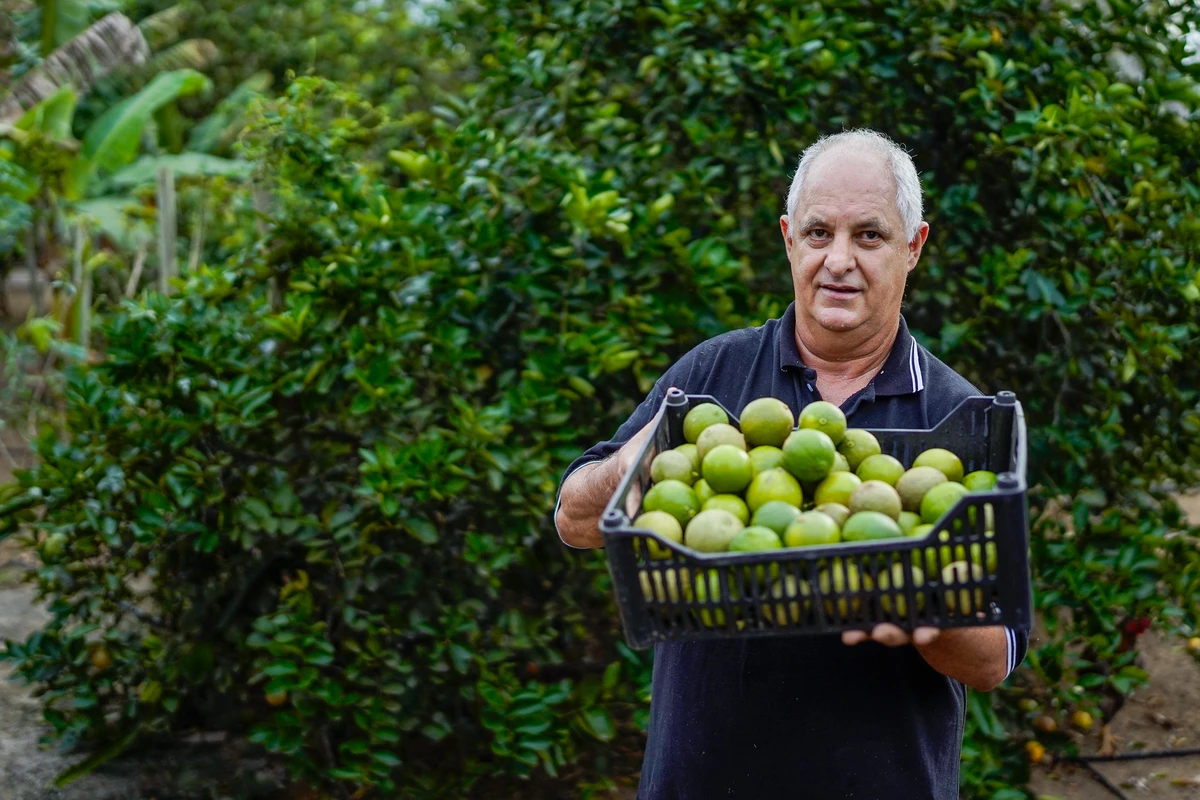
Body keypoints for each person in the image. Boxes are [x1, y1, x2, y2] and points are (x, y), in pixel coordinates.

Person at [554, 129, 1029, 799]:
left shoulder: (957, 418)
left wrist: (925, 603)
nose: (839, 260)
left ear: (914, 247)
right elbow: (574, 518)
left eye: (869, 236)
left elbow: (995, 659)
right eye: (817, 234)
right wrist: (635, 463)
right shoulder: (710, 378)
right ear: (787, 239)